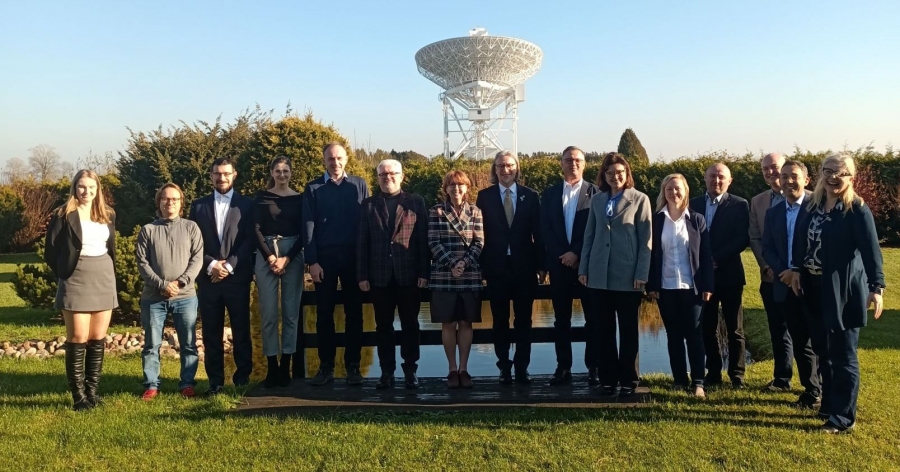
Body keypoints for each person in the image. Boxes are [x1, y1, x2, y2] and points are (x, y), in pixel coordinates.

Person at [788, 152, 885, 433]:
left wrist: (876, 287)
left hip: (843, 291)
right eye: (828, 171)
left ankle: (843, 418)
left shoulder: (856, 209)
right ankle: (829, 406)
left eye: (840, 173)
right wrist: (796, 268)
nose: (832, 177)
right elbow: (799, 241)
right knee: (822, 350)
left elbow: (871, 252)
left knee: (843, 355)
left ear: (851, 178)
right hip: (813, 287)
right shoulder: (812, 205)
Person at [578, 152, 652, 397]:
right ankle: (608, 379)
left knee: (629, 331)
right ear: (604, 175)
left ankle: (629, 380)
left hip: (628, 275)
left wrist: (642, 273)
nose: (615, 177)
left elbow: (646, 242)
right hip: (599, 276)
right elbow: (589, 236)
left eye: (619, 172)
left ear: (626, 174)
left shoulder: (640, 200)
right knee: (603, 330)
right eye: (610, 173)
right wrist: (584, 268)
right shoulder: (598, 201)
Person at [45, 169, 117, 410]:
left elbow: (111, 246)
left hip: (104, 277)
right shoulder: (63, 214)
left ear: (98, 190)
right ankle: (79, 397)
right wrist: (65, 272)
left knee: (97, 338)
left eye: (91, 187)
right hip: (75, 278)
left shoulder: (108, 214)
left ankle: (93, 393)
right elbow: (51, 251)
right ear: (75, 188)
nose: (87, 192)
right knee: (78, 338)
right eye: (82, 187)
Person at [357, 159, 429, 389]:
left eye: (392, 173)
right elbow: (362, 242)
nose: (387, 177)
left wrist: (424, 271)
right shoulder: (368, 205)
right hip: (379, 276)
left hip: (409, 274)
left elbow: (422, 240)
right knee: (383, 327)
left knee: (410, 325)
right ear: (377, 177)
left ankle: (410, 371)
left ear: (401, 176)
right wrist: (362, 275)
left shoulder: (416, 203)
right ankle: (386, 372)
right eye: (382, 174)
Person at [476, 150, 545, 385]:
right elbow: (478, 234)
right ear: (494, 170)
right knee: (499, 320)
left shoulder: (530, 196)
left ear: (517, 168)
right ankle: (504, 367)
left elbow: (539, 233)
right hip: (496, 269)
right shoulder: (483, 197)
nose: (505, 170)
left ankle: (522, 368)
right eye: (500, 166)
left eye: (509, 165)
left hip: (524, 268)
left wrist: (542, 265)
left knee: (524, 321)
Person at [303, 142, 369, 386]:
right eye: (331, 158)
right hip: (325, 261)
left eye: (339, 158)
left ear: (346, 159)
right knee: (323, 315)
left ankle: (353, 367)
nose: (335, 162)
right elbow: (307, 225)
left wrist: (366, 261)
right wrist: (312, 261)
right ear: (324, 160)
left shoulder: (359, 185)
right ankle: (326, 367)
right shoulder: (313, 188)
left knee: (355, 314)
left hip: (354, 259)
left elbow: (367, 222)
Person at [188, 157, 256, 395]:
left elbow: (250, 240)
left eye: (226, 173)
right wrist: (212, 265)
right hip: (208, 279)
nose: (221, 177)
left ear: (234, 175)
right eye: (217, 173)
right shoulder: (198, 206)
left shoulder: (247, 205)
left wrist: (230, 265)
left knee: (241, 329)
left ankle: (242, 379)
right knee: (211, 332)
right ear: (211, 176)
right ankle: (215, 382)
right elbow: (193, 244)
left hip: (237, 278)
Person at [646, 174, 714, 399]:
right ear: (663, 193)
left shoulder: (696, 219)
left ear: (685, 191)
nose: (673, 193)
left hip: (691, 287)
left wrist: (707, 286)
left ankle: (698, 382)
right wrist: (652, 285)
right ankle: (678, 380)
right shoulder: (656, 220)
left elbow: (705, 256)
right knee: (673, 336)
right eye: (669, 189)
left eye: (677, 189)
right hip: (665, 288)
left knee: (694, 335)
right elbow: (651, 256)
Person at [135, 183, 204, 400]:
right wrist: (163, 285)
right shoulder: (148, 230)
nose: (170, 202)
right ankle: (152, 385)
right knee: (151, 344)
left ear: (181, 203)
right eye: (165, 199)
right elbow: (142, 263)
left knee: (189, 344)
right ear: (159, 203)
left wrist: (180, 283)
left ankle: (187, 384)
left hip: (185, 297)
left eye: (174, 199)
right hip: (154, 298)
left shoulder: (191, 227)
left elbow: (197, 259)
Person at [762, 161, 820, 409]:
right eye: (784, 177)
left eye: (793, 176)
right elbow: (768, 247)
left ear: (806, 180)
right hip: (785, 284)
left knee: (819, 340)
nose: (788, 181)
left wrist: (799, 271)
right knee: (799, 339)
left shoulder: (817, 207)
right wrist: (783, 272)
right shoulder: (773, 212)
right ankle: (812, 390)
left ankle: (825, 389)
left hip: (813, 284)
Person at [540, 146, 600, 386]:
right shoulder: (550, 194)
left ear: (584, 164)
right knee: (560, 320)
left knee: (593, 319)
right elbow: (545, 229)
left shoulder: (596, 193)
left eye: (578, 160)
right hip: (559, 265)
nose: (573, 164)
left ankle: (593, 367)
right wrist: (562, 255)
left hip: (586, 265)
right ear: (561, 163)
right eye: (568, 160)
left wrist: (576, 252)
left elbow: (594, 230)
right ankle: (563, 367)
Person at [689, 163, 750, 389]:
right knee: (707, 326)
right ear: (704, 178)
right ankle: (713, 372)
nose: (716, 180)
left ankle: (737, 375)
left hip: (730, 274)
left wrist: (716, 258)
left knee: (735, 328)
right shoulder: (693, 203)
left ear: (729, 180)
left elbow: (742, 238)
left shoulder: (739, 204)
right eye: (712, 176)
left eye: (721, 177)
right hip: (703, 276)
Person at [428, 171, 484, 389]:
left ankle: (464, 368)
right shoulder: (436, 211)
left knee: (466, 322)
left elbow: (479, 241)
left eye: (460, 185)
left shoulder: (476, 211)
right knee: (448, 322)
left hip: (469, 274)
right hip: (444, 273)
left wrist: (464, 263)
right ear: (446, 188)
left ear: (467, 188)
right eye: (452, 185)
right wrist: (452, 263)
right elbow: (433, 241)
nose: (456, 189)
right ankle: (452, 369)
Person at [253, 156, 304, 388]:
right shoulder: (262, 198)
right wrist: (271, 257)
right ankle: (272, 366)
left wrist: (287, 257)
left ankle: (286, 365)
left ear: (291, 173)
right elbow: (255, 229)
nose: (282, 175)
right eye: (277, 171)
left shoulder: (299, 198)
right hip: (267, 254)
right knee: (269, 313)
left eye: (285, 171)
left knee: (291, 313)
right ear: (271, 173)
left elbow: (305, 231)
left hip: (292, 253)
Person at [749, 152, 793, 391]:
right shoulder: (758, 201)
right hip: (770, 276)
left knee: (806, 331)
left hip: (800, 277)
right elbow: (755, 237)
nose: (770, 172)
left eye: (774, 167)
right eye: (765, 169)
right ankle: (782, 378)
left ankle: (815, 383)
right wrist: (766, 265)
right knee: (778, 329)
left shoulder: (808, 199)